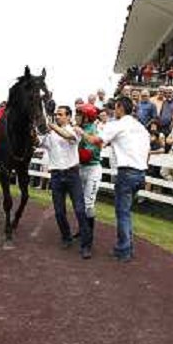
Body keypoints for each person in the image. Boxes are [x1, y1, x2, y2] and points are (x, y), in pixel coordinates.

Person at [82, 96, 150, 262]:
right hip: (140, 173)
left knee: (123, 213)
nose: (114, 111)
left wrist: (80, 132)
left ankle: (123, 250)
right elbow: (147, 152)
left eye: (115, 108)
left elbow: (97, 141)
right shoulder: (141, 127)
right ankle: (127, 246)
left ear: (120, 108)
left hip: (127, 173)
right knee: (126, 212)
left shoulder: (118, 125)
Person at [40, 106, 92, 260]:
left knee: (80, 210)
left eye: (61, 114)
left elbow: (68, 137)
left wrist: (51, 126)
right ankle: (66, 237)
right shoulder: (50, 135)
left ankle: (86, 245)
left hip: (72, 174)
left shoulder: (75, 130)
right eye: (56, 114)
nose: (57, 117)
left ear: (69, 117)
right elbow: (38, 142)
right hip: (56, 175)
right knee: (59, 211)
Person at [74, 104, 102, 248]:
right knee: (80, 203)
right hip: (81, 169)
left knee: (88, 204)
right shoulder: (80, 128)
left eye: (80, 114)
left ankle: (89, 236)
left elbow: (88, 154)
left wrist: (80, 135)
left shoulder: (93, 129)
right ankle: (81, 229)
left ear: (86, 117)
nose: (76, 117)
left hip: (92, 169)